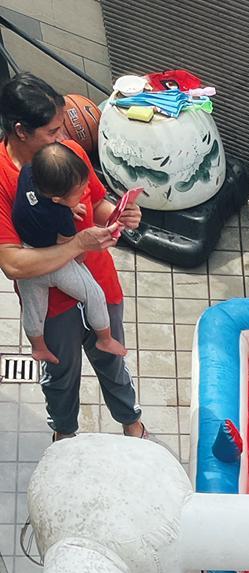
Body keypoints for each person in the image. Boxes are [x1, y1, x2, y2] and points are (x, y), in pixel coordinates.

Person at [0, 73, 145, 442]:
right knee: (60, 377)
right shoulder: (2, 179)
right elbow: (13, 263)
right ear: (21, 131)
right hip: (52, 305)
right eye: (52, 132)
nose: (62, 138)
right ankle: (64, 435)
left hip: (100, 283)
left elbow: (96, 203)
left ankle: (132, 423)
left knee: (113, 362)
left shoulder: (69, 153)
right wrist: (78, 245)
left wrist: (119, 215)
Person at [13, 143, 126, 364]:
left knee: (34, 309)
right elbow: (71, 252)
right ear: (57, 199)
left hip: (28, 258)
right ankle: (104, 339)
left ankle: (38, 347)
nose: (84, 194)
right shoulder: (62, 218)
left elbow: (41, 200)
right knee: (94, 294)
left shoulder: (27, 174)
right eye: (79, 193)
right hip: (53, 264)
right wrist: (86, 246)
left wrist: (69, 204)